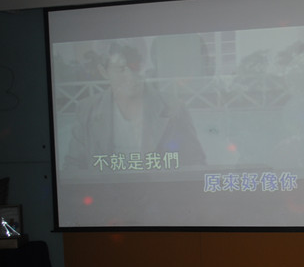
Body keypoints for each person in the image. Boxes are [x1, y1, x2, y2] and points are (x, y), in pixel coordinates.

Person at [63, 41, 206, 171]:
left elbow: (195, 162)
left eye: (135, 67)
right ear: (103, 71)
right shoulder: (87, 109)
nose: (130, 76)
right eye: (120, 69)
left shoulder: (174, 107)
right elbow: (73, 167)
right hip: (104, 192)